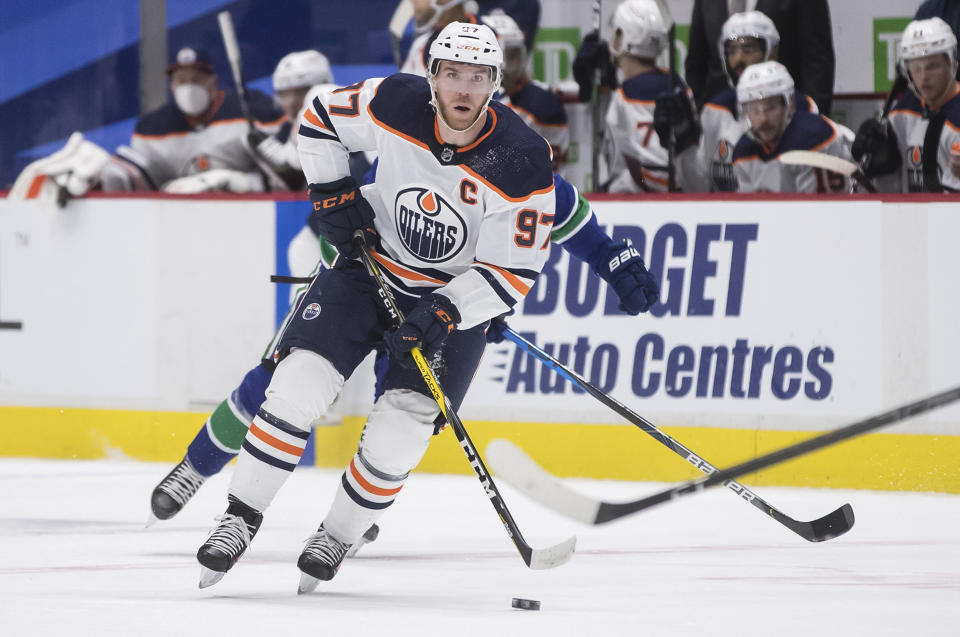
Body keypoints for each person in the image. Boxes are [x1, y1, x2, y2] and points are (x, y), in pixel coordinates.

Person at [191, 22, 656, 591]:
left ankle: (338, 534)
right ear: (432, 76)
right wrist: (333, 192)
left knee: (403, 426)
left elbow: (514, 267)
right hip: (369, 268)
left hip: (450, 301)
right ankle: (239, 518)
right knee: (296, 383)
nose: (464, 90)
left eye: (479, 77)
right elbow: (318, 118)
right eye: (453, 75)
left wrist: (447, 310)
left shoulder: (521, 158)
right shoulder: (395, 102)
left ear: (495, 84)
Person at [658, 11, 819, 192]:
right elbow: (699, 188)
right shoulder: (715, 110)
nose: (738, 59)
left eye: (748, 49)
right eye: (731, 51)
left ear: (772, 51)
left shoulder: (800, 107)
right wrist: (684, 142)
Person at [119, 47, 287, 193]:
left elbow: (287, 175)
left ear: (213, 82)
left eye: (196, 79)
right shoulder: (151, 127)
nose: (189, 87)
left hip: (247, 210)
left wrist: (241, 182)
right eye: (181, 80)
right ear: (172, 85)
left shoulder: (252, 109)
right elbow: (140, 180)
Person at [597, 0, 699, 193]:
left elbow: (630, 166)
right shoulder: (677, 83)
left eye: (616, 32)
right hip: (685, 192)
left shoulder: (625, 94)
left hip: (642, 199)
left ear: (623, 36)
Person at [852, 18, 960, 193]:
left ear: (953, 62)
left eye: (933, 66)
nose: (924, 77)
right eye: (916, 68)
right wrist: (879, 157)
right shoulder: (904, 109)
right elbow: (887, 182)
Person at [685, 0, 836, 115]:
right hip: (722, 121)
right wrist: (704, 113)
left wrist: (812, 121)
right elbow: (696, 61)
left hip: (783, 119)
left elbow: (818, 61)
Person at [730, 61, 849, 192]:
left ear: (790, 104)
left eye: (771, 108)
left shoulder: (814, 138)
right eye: (754, 110)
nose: (763, 119)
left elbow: (819, 210)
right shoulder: (743, 151)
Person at [482, 10, 569, 170]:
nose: (512, 64)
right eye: (506, 54)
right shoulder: (467, 97)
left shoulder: (540, 102)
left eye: (515, 54)